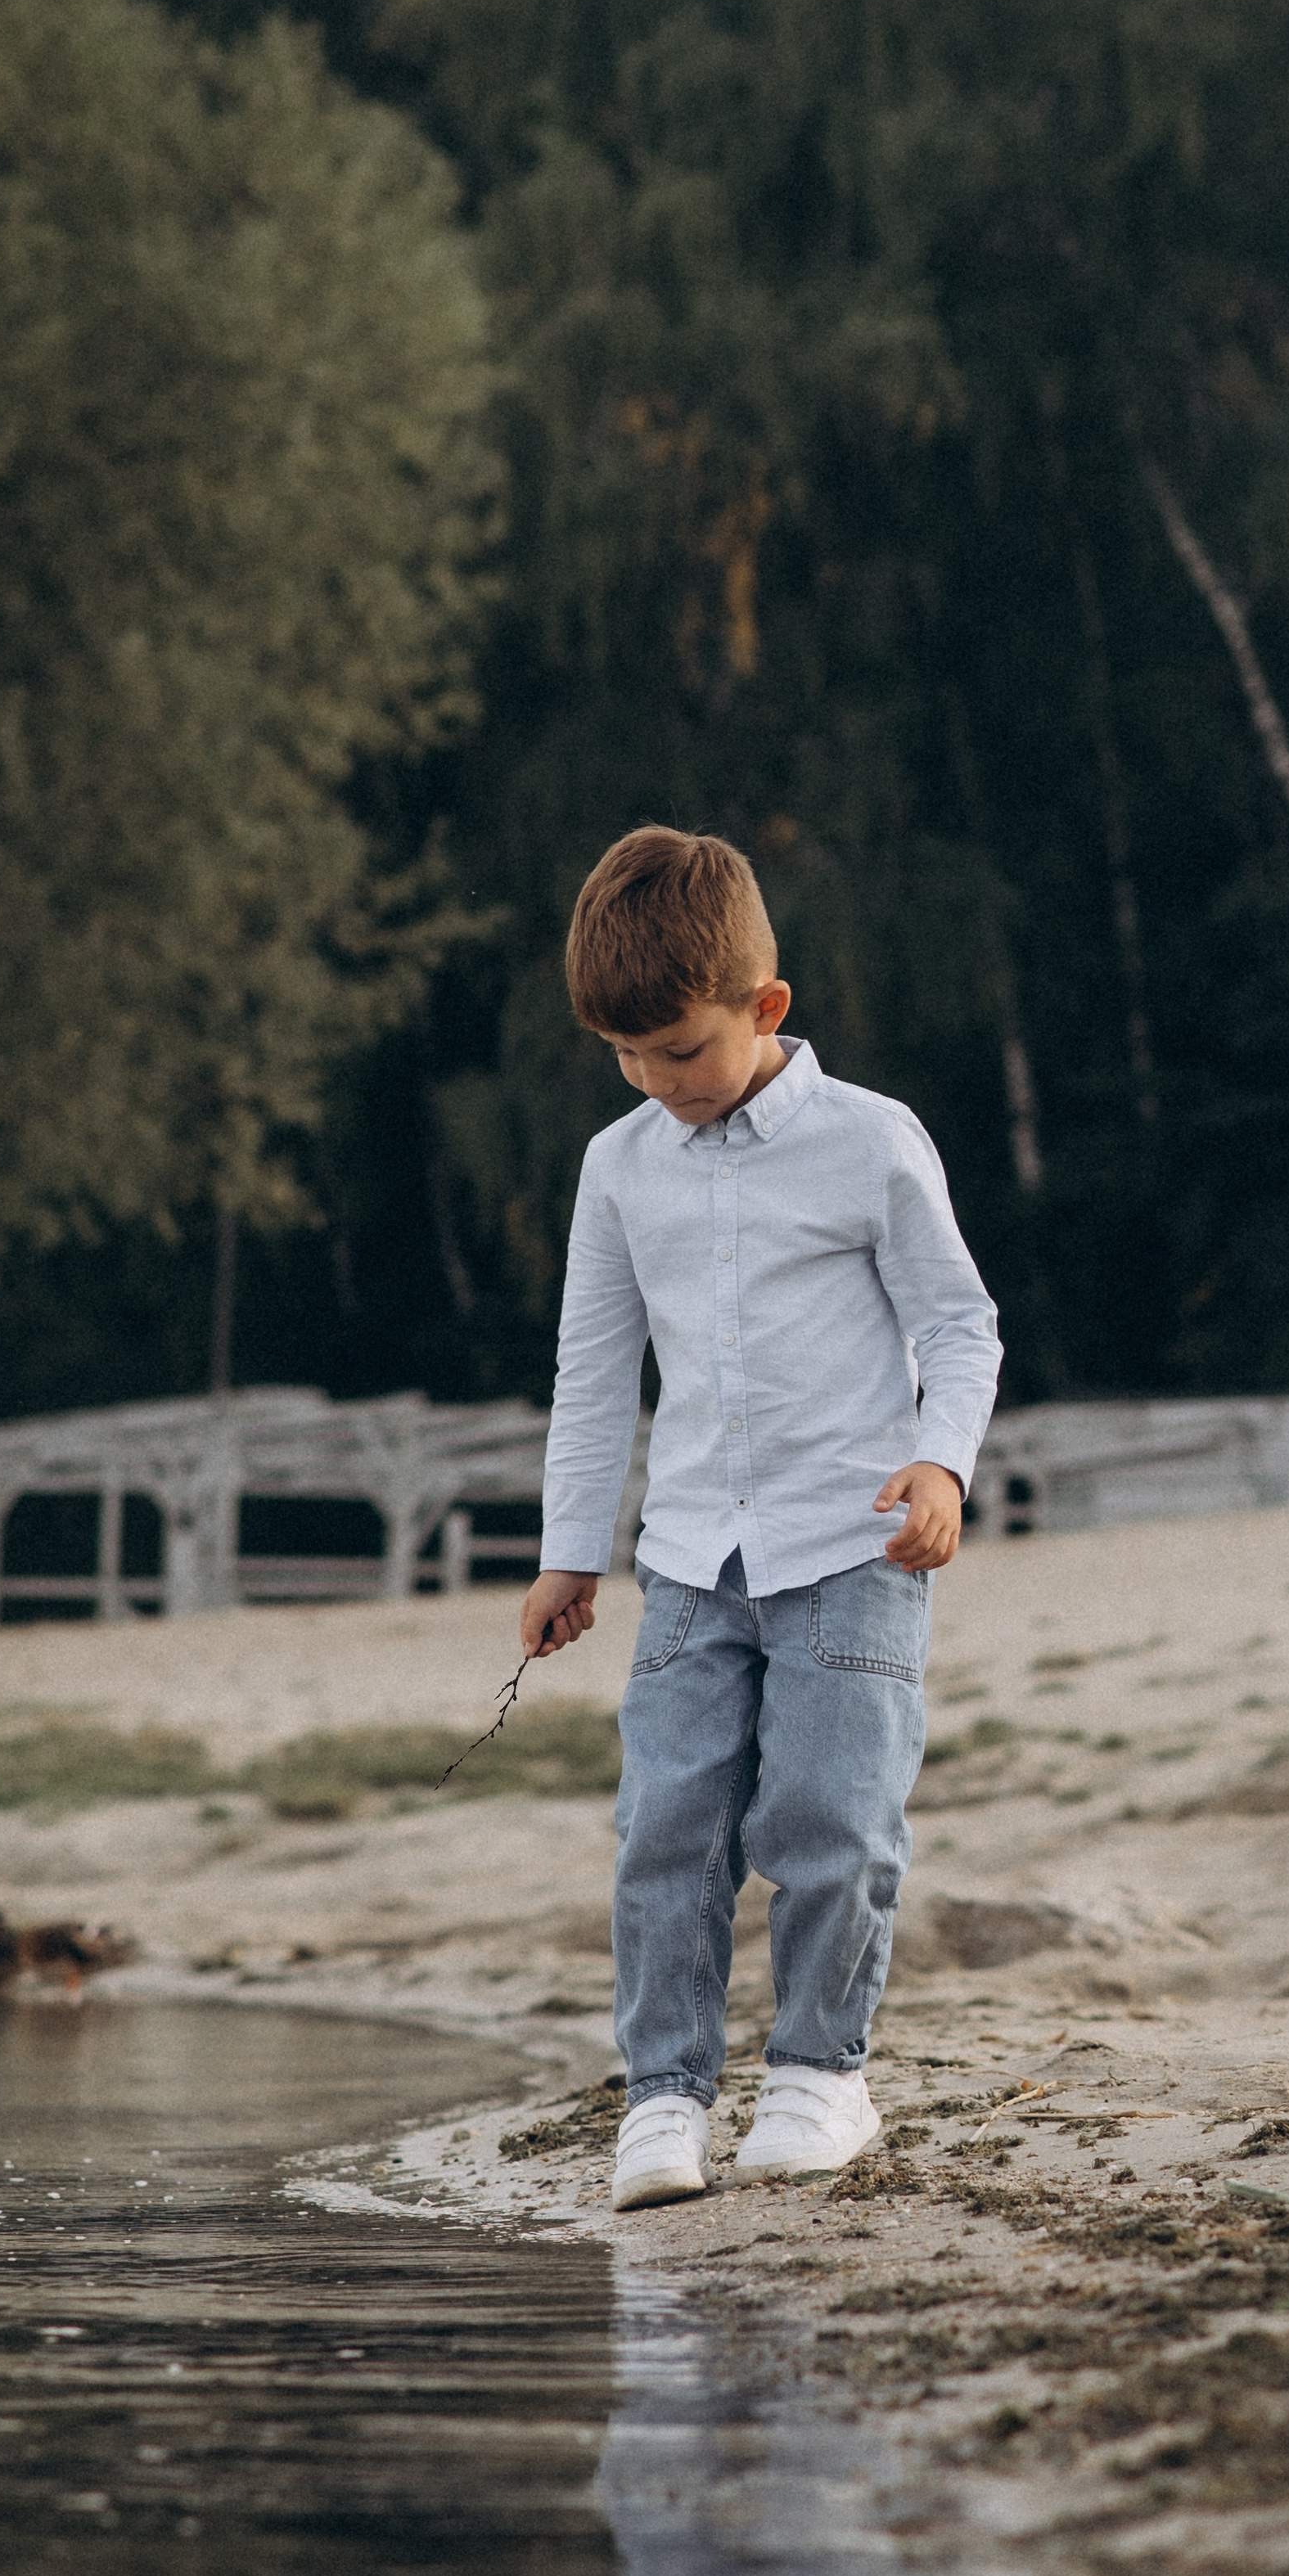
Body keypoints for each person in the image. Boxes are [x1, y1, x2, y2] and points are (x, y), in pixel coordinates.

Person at [521, 825, 1002, 2212]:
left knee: (829, 1814)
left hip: (853, 1544)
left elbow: (959, 1326)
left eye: (679, 1050)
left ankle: (817, 2077)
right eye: (626, 1057)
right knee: (666, 1826)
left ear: (765, 1009)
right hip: (688, 1562)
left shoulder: (871, 1143)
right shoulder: (620, 1168)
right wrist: (570, 1551)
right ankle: (663, 2099)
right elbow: (596, 1369)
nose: (656, 1083)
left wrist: (941, 1468)